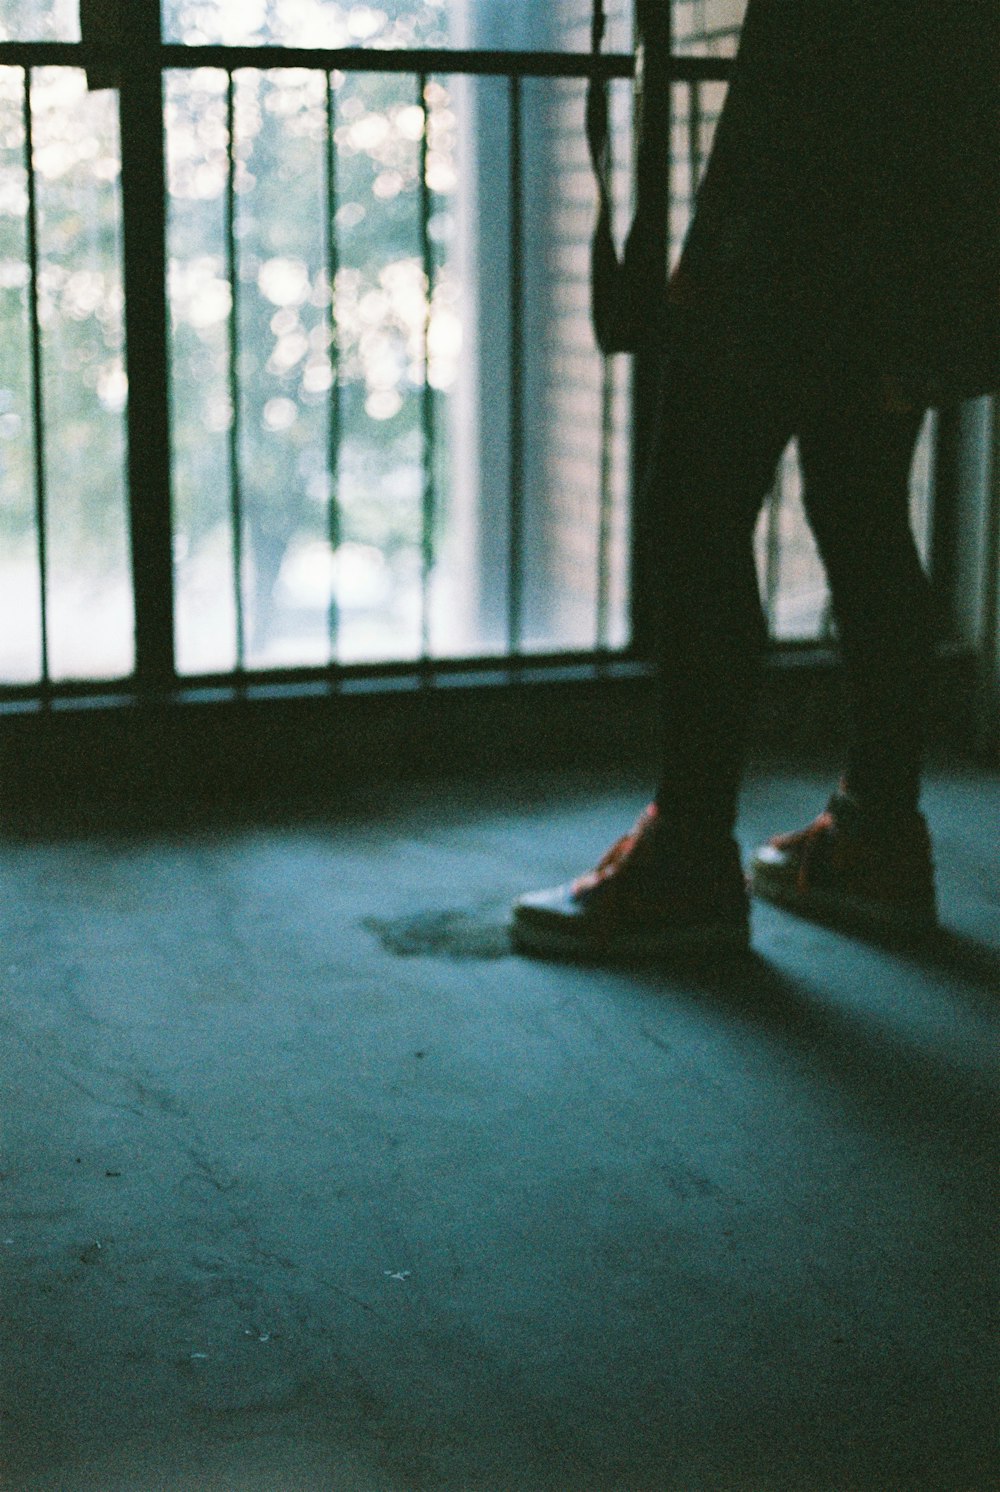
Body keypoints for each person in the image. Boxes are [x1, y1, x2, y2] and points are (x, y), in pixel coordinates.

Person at [512, 0, 999, 960]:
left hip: (791, 228)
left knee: (693, 514)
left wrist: (729, 236)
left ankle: (690, 859)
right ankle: (876, 833)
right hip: (909, 238)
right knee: (861, 515)